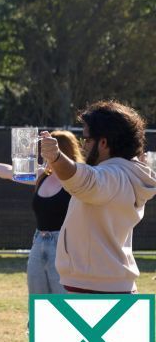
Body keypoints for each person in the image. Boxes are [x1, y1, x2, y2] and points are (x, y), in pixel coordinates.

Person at [0, 131, 84, 342]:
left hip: (64, 247)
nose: (41, 157)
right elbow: (12, 171)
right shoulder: (42, 175)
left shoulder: (77, 178)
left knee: (66, 313)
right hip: (38, 245)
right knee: (39, 313)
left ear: (61, 150)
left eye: (45, 151)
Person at [40, 100, 156, 294]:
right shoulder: (125, 173)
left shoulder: (113, 176)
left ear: (103, 143)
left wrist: (56, 157)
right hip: (108, 287)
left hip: (94, 291)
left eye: (87, 139)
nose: (83, 146)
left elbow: (84, 180)